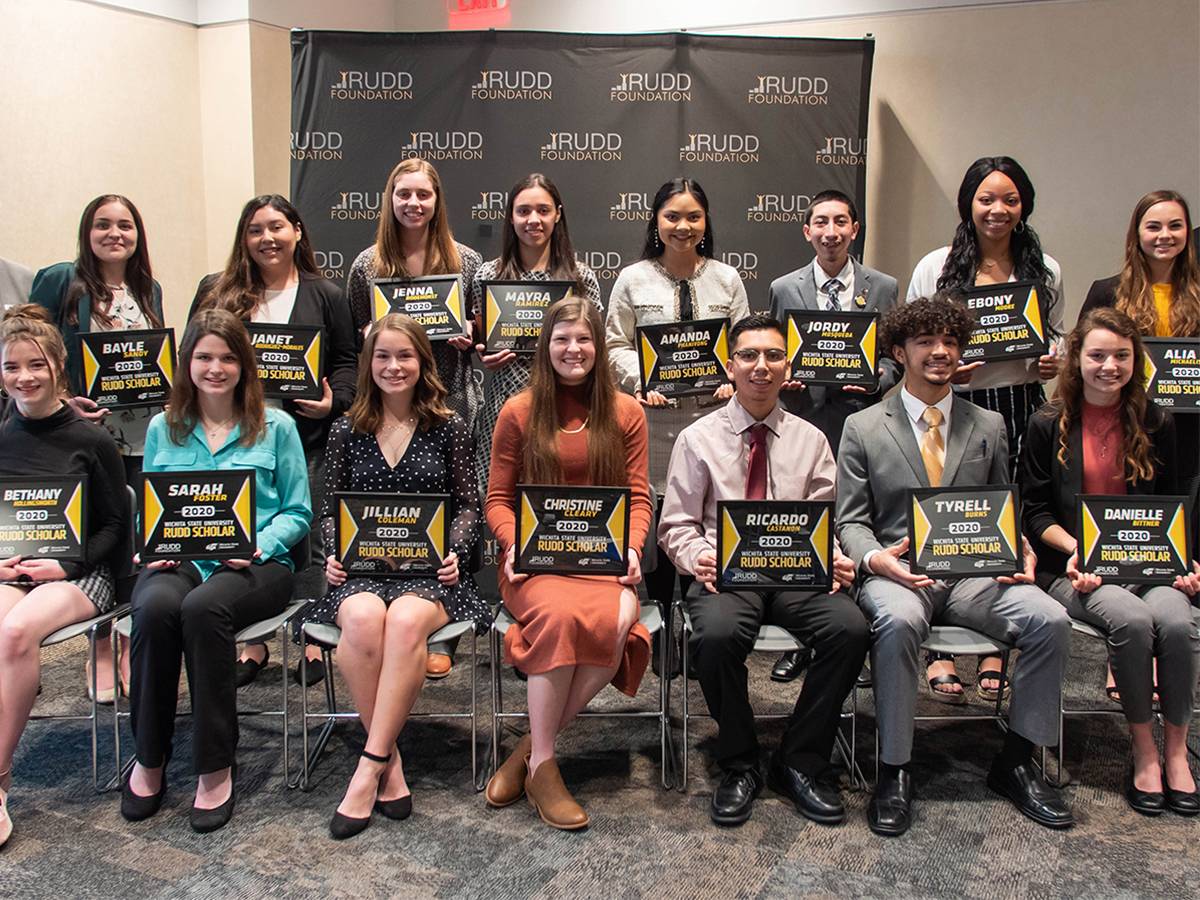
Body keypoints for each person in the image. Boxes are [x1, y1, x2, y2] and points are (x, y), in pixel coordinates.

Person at [837, 295, 1073, 836]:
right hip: (900, 572)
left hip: (974, 574)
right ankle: (894, 769)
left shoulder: (989, 424)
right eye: (925, 342)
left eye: (949, 342)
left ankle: (1017, 760)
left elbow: (1002, 506)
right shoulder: (863, 426)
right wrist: (875, 560)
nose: (940, 352)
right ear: (900, 352)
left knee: (1050, 619)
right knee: (897, 622)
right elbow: (850, 521)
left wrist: (1021, 547)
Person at [658, 312, 869, 827]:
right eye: (749, 355)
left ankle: (800, 759)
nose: (761, 366)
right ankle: (740, 762)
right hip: (726, 574)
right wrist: (697, 556)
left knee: (850, 629)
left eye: (774, 356)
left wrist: (833, 558)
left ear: (787, 367)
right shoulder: (697, 438)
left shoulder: (812, 439)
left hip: (796, 575)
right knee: (715, 637)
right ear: (730, 366)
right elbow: (677, 524)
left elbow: (824, 521)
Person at [121, 309, 310, 833]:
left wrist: (257, 545)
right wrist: (151, 545)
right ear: (187, 362)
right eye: (204, 356)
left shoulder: (277, 426)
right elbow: (151, 509)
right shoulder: (163, 427)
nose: (215, 368)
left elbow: (298, 512)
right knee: (154, 606)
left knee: (204, 610)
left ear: (244, 364)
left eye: (228, 357)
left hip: (257, 565)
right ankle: (149, 757)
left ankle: (214, 765)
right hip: (180, 559)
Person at [308, 314, 489, 839]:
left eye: (404, 355)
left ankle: (368, 767)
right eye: (383, 356)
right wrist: (335, 554)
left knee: (407, 621)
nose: (394, 366)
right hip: (362, 570)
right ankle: (389, 762)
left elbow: (468, 505)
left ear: (422, 362)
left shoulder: (450, 426)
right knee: (363, 619)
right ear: (369, 363)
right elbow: (329, 511)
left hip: (429, 572)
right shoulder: (346, 429)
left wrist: (455, 551)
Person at [1020, 307, 1199, 816]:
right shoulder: (1046, 423)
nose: (1110, 366)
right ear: (1077, 358)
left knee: (1177, 620)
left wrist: (1185, 562)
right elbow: (1034, 511)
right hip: (1071, 568)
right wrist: (1075, 549)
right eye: (1098, 355)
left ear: (1136, 360)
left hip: (1147, 565)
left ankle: (1177, 751)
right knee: (1133, 620)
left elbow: (1174, 504)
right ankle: (1144, 750)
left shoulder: (1157, 421)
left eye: (1122, 356)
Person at [482, 297, 652, 830]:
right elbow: (497, 500)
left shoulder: (626, 412)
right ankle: (546, 766)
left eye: (583, 339)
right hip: (535, 564)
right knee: (558, 618)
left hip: (603, 561)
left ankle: (530, 753)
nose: (573, 349)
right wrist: (513, 545)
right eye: (562, 339)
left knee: (617, 621)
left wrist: (633, 548)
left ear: (598, 346)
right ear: (545, 347)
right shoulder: (518, 412)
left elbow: (639, 498)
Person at [907, 157, 1064, 701]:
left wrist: (1053, 360)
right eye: (986, 199)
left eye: (1010, 200)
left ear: (1024, 206)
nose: (998, 209)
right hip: (954, 405)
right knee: (946, 514)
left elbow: (1057, 334)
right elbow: (915, 336)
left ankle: (998, 648)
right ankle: (941, 653)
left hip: (1021, 404)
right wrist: (944, 368)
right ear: (968, 204)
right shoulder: (936, 265)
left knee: (1005, 517)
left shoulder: (1047, 268)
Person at [191, 195, 357, 688]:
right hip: (236, 442)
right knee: (244, 530)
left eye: (277, 227)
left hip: (307, 435)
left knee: (309, 537)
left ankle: (311, 638)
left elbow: (347, 361)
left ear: (297, 231)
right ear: (244, 239)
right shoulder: (217, 291)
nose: (267, 238)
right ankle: (254, 642)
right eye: (255, 229)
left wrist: (334, 403)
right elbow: (192, 355)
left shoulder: (326, 293)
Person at [345, 158, 483, 679]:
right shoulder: (367, 265)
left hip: (451, 401)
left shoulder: (466, 261)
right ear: (390, 199)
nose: (413, 203)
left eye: (423, 194)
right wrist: (368, 339)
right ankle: (390, 608)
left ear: (437, 200)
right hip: (390, 404)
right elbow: (359, 336)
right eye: (404, 194)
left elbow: (481, 331)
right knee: (395, 509)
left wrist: (471, 336)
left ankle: (441, 631)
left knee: (457, 505)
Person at [605, 177, 749, 671]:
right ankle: (664, 634)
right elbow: (614, 344)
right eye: (672, 216)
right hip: (654, 423)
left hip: (713, 424)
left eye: (693, 216)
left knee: (702, 521)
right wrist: (641, 379)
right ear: (656, 221)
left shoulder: (727, 280)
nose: (682, 226)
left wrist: (732, 378)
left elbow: (742, 345)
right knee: (661, 521)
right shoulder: (632, 279)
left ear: (706, 222)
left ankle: (699, 630)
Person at [0, 305, 130, 849]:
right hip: (14, 570)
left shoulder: (91, 440)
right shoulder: (2, 435)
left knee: (15, 632)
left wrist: (67, 565)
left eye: (36, 365)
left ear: (58, 366)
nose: (24, 377)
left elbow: (116, 526)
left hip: (81, 574)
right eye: (12, 367)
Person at [30, 194, 165, 704]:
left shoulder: (148, 289)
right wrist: (63, 397)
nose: (115, 234)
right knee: (99, 535)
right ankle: (101, 644)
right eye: (103, 225)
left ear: (137, 234)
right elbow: (34, 348)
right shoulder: (61, 281)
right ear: (87, 232)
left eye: (125, 225)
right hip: (85, 437)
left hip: (143, 438)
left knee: (136, 537)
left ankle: (130, 641)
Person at [767, 188, 900, 683]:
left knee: (856, 523)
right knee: (808, 520)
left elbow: (893, 357)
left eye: (840, 222)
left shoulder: (883, 286)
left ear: (854, 229)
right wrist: (784, 376)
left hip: (861, 421)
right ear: (807, 231)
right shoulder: (784, 288)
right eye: (820, 222)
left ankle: (857, 639)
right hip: (802, 421)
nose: (831, 232)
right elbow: (775, 348)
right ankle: (807, 639)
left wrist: (877, 378)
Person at [470, 173, 602, 496]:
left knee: (559, 499)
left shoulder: (581, 277)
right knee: (499, 495)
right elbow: (481, 340)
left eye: (543, 210)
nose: (533, 220)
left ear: (558, 214)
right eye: (523, 211)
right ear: (510, 217)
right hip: (504, 404)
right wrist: (484, 353)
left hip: (567, 408)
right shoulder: (487, 275)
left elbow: (596, 345)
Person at [1079, 190, 1199, 485]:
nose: (1165, 235)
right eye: (1154, 227)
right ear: (1137, 233)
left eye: (1175, 226)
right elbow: (1079, 360)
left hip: (1192, 437)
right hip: (1126, 429)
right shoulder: (1106, 292)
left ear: (1188, 232)